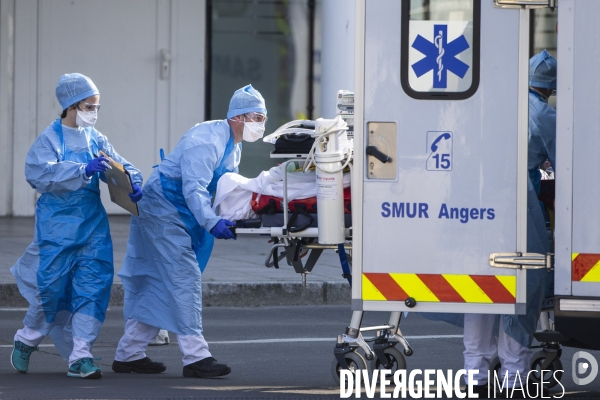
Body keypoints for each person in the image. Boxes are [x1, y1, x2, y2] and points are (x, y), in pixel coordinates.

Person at [112, 84, 267, 378]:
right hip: (162, 209)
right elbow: (194, 187)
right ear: (238, 117)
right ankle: (196, 357)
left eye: (263, 118)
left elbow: (222, 186)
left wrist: (236, 215)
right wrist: (211, 221)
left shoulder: (233, 144)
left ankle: (129, 353)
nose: (260, 124)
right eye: (256, 117)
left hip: (180, 213)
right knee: (183, 277)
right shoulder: (206, 141)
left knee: (160, 281)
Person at [10, 73, 143, 379]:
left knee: (93, 286)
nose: (93, 112)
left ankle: (80, 356)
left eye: (96, 106)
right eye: (88, 106)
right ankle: (27, 338)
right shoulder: (49, 139)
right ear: (71, 105)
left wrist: (133, 180)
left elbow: (121, 163)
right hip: (58, 225)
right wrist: (82, 169)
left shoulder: (95, 137)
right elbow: (38, 174)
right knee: (51, 289)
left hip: (92, 225)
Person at [464, 51, 556, 398]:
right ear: (549, 89)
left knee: (480, 285)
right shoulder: (545, 114)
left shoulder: (495, 104)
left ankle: (475, 368)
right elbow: (564, 166)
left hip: (478, 204)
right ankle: (515, 369)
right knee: (524, 284)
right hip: (520, 207)